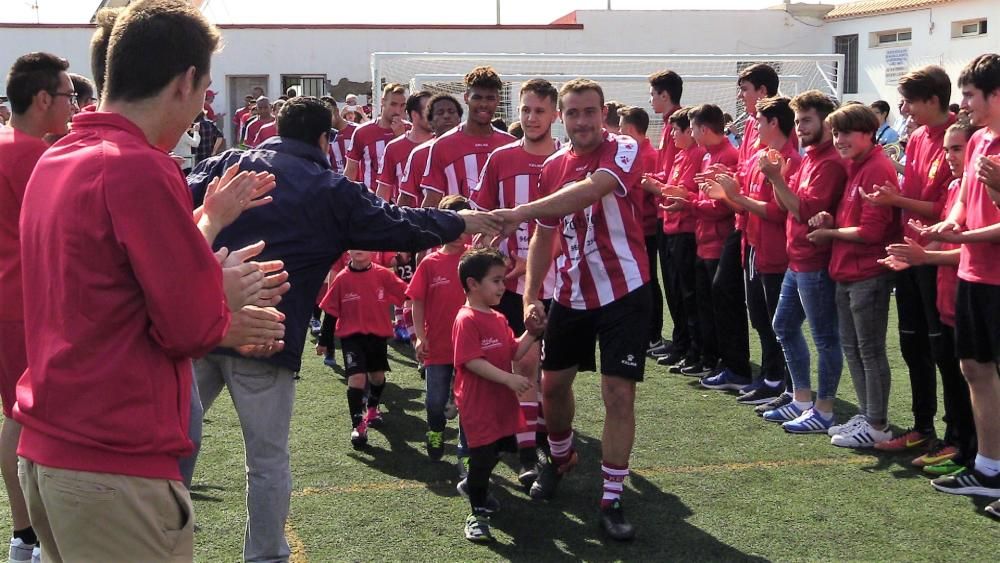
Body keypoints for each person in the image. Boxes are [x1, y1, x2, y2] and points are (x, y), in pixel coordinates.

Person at [15, 2, 285, 560]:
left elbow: (103, 296)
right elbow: (186, 328)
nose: (200, 108)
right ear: (186, 80)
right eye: (205, 90)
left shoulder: (59, 155)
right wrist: (225, 298)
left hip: (50, 453)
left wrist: (211, 268)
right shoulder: (139, 166)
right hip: (112, 465)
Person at [186, 96, 503, 562]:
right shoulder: (329, 187)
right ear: (322, 139)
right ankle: (266, 556)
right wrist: (458, 220)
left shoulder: (229, 162)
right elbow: (398, 223)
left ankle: (158, 539)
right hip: (266, 334)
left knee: (177, 445)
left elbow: (168, 197)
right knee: (266, 460)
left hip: (200, 325)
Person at [494, 78, 652, 541]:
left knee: (618, 394)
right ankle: (560, 457)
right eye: (574, 113)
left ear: (604, 113)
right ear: (562, 117)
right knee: (553, 386)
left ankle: (611, 496)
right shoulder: (552, 166)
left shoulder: (623, 148)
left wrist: (516, 212)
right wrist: (529, 296)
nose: (582, 120)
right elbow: (546, 232)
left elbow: (591, 190)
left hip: (626, 291)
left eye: (590, 111)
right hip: (570, 293)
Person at [0, 51, 76, 563]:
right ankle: (28, 534)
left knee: (17, 416)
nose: (75, 104)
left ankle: (25, 532)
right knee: (28, 419)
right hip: (24, 302)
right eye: (69, 95)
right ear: (43, 99)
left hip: (12, 301)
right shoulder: (31, 156)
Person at [918, 53, 1000, 517]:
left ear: (995, 94)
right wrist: (947, 226)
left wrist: (960, 235)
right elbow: (962, 205)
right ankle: (989, 468)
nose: (963, 104)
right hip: (972, 273)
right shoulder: (977, 142)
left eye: (969, 94)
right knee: (974, 369)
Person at [861, 65, 958, 451]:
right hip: (910, 255)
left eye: (910, 102)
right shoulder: (916, 138)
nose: (905, 110)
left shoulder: (958, 139)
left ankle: (957, 437)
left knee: (945, 352)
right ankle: (923, 427)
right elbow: (915, 194)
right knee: (911, 344)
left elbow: (943, 206)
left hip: (937, 257)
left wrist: (896, 199)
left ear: (933, 100)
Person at [471, 78, 560, 487]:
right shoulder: (501, 159)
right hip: (507, 285)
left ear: (554, 115)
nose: (531, 117)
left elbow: (577, 227)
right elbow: (484, 217)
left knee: (553, 374)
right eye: (525, 109)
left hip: (563, 285)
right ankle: (528, 450)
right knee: (520, 362)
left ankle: (548, 439)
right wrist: (490, 250)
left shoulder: (569, 160)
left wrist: (533, 261)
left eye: (540, 110)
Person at [882, 119, 977, 476]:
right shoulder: (959, 186)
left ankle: (968, 449)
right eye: (948, 148)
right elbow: (950, 236)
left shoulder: (979, 188)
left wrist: (926, 255)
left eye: (958, 148)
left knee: (967, 373)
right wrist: (918, 252)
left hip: (967, 294)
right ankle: (953, 440)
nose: (950, 155)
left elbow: (973, 246)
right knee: (947, 364)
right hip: (948, 294)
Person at [806, 103, 900, 448]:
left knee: (870, 350)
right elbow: (856, 222)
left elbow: (873, 232)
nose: (839, 139)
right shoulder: (859, 165)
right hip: (849, 270)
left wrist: (830, 234)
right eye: (836, 132)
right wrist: (832, 224)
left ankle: (877, 423)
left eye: (845, 132)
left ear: (867, 132)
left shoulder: (876, 167)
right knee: (855, 348)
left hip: (868, 273)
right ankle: (868, 413)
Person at [754, 90, 848, 423]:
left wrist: (776, 178)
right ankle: (801, 399)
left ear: (826, 121)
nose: (801, 126)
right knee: (784, 324)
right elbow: (786, 204)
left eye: (807, 119)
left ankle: (823, 410)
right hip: (798, 259)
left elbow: (804, 210)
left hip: (815, 261)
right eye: (797, 121)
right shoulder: (809, 157)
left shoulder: (830, 162)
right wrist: (780, 181)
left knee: (825, 337)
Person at [703, 96, 801, 407]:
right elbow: (745, 199)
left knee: (777, 321)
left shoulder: (789, 161)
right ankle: (773, 377)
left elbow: (776, 212)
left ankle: (781, 382)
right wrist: (727, 191)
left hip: (775, 250)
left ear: (774, 123)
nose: (753, 126)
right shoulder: (762, 156)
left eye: (759, 120)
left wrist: (735, 197)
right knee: (760, 316)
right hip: (754, 244)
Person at [452, 248, 544, 543]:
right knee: (481, 459)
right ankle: (477, 514)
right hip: (477, 404)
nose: (503, 286)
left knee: (497, 451)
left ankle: (472, 485)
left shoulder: (498, 317)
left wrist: (531, 333)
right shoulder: (466, 319)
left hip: (501, 403)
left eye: (503, 280)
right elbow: (472, 361)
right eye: (496, 280)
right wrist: (509, 379)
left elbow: (513, 351)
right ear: (472, 284)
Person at [700, 63, 781, 391]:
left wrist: (733, 190)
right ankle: (744, 368)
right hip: (744, 219)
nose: (740, 95)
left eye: (745, 89)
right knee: (738, 297)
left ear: (762, 92)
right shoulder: (751, 125)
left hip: (758, 222)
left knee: (767, 308)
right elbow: (747, 172)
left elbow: (768, 178)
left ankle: (772, 376)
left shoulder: (773, 129)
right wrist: (728, 182)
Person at [662, 104, 739, 380]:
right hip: (703, 238)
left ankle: (726, 363)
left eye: (692, 128)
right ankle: (708, 358)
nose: (689, 134)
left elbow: (721, 206)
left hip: (715, 241)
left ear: (702, 129)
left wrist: (688, 202)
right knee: (702, 304)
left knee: (720, 308)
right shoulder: (707, 155)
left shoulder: (727, 155)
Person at [319, 250, 408, 447]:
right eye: (355, 245)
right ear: (348, 250)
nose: (360, 249)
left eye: (365, 245)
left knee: (377, 377)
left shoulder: (383, 274)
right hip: (352, 337)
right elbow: (331, 312)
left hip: (377, 336)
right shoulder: (342, 279)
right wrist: (325, 341)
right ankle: (358, 425)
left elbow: (407, 293)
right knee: (357, 378)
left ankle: (373, 408)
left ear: (373, 251)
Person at [408, 196, 472, 460]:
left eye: (463, 225)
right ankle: (435, 430)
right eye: (452, 226)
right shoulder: (429, 263)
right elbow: (417, 302)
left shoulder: (474, 258)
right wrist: (420, 338)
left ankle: (466, 449)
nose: (459, 234)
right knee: (435, 400)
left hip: (470, 348)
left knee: (468, 402)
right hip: (438, 345)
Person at [652, 108, 704, 372]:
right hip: (673, 228)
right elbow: (673, 183)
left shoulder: (697, 155)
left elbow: (687, 192)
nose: (672, 135)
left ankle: (695, 350)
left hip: (686, 230)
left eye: (677, 130)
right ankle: (684, 345)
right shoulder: (683, 155)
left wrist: (660, 189)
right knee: (677, 293)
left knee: (688, 296)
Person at [420, 66, 515, 207]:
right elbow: (431, 202)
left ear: (498, 100)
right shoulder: (442, 146)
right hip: (457, 228)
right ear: (466, 98)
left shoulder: (510, 144)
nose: (483, 104)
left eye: (490, 98)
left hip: (499, 228)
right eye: (477, 98)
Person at [643, 69, 685, 360]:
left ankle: (685, 343)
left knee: (678, 284)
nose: (651, 100)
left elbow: (674, 172)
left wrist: (654, 183)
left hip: (673, 211)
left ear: (665, 95)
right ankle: (682, 341)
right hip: (666, 208)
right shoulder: (669, 123)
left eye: (653, 94)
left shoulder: (678, 124)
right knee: (672, 283)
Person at [620, 106, 664, 353]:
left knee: (648, 281)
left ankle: (652, 333)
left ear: (629, 129)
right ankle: (647, 331)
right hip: (639, 227)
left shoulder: (644, 155)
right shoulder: (642, 152)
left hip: (645, 228)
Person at [397, 93, 463, 208]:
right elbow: (406, 198)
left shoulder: (476, 148)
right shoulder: (420, 154)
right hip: (434, 223)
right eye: (440, 113)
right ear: (431, 121)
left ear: (459, 118)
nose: (446, 116)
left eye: (451, 111)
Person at [345, 83, 408, 191]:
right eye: (393, 104)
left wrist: (402, 140)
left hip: (402, 203)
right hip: (371, 202)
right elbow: (350, 171)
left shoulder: (410, 130)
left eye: (402, 105)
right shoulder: (363, 132)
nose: (398, 110)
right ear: (383, 102)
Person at [376, 91, 433, 203]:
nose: (435, 115)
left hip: (438, 218)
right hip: (406, 218)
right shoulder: (393, 148)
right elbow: (384, 189)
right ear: (414, 115)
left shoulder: (441, 144)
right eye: (429, 111)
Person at [320, 95, 356, 175]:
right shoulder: (322, 136)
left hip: (356, 185)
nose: (325, 119)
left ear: (336, 111)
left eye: (328, 114)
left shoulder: (356, 131)